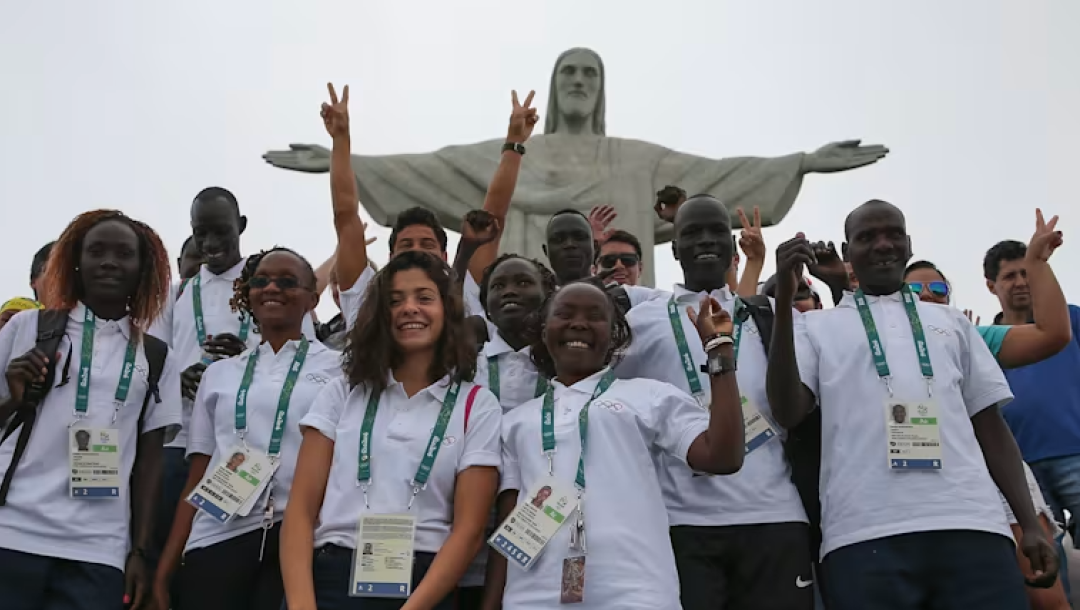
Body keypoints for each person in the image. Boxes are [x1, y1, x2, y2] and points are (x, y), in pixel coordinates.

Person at [766, 199, 1058, 609]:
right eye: (867, 237)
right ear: (848, 255)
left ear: (908, 244)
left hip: (973, 524)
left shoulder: (951, 322)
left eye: (893, 235)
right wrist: (782, 301)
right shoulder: (815, 327)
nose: (883, 244)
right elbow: (788, 411)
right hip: (862, 533)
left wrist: (1029, 524)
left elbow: (990, 427)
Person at [486, 280, 745, 609]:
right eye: (564, 314)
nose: (578, 323)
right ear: (543, 329)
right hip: (532, 598)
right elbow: (507, 522)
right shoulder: (515, 422)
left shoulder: (649, 395)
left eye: (595, 316)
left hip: (636, 594)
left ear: (615, 334)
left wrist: (719, 351)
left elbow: (722, 457)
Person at [617, 194, 814, 610]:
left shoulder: (769, 315)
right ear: (673, 248)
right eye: (691, 232)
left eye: (716, 230)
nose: (705, 240)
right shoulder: (639, 325)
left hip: (774, 519)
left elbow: (794, 410)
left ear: (732, 244)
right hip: (681, 524)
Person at [281, 251, 501, 610]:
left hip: (424, 586)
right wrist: (302, 604)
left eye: (424, 298)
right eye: (395, 301)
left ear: (447, 310)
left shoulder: (477, 404)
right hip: (330, 580)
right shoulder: (342, 391)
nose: (409, 308)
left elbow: (469, 530)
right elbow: (301, 511)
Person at [0, 210, 181, 610]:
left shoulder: (156, 356)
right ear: (76, 262)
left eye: (124, 253)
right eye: (96, 251)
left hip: (98, 547)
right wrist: (14, 399)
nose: (110, 262)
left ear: (142, 268)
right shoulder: (27, 327)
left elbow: (151, 462)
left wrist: (139, 552)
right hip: (11, 530)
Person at [154, 247, 342, 610]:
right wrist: (164, 570)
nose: (272, 288)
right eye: (261, 281)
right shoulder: (219, 374)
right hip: (217, 534)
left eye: (288, 282)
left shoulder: (341, 370)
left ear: (312, 298)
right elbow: (198, 472)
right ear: (247, 293)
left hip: (299, 535)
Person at [321, 83, 534, 332]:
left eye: (427, 244)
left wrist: (515, 143)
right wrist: (340, 138)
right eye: (406, 245)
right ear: (390, 258)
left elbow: (493, 216)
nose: (417, 251)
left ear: (445, 257)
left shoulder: (465, 292)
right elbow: (346, 217)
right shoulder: (364, 297)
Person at [983, 222, 1080, 553]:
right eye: (1010, 276)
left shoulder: (1070, 321)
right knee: (1050, 566)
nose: (1022, 282)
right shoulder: (983, 342)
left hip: (1076, 455)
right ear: (990, 285)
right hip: (1022, 471)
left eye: (1027, 272)